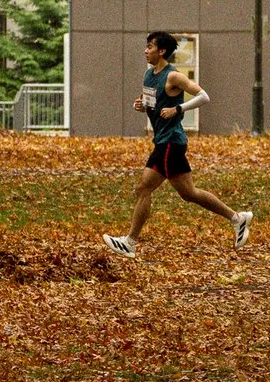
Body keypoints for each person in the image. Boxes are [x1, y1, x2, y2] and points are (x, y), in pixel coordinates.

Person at [103, 31, 251, 258]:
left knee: (144, 188)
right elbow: (152, 101)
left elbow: (204, 96)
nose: (146, 50)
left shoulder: (174, 77)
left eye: (150, 46)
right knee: (189, 193)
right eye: (146, 46)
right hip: (166, 141)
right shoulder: (149, 73)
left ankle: (130, 242)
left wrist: (178, 109)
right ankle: (237, 218)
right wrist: (142, 105)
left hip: (170, 142)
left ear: (161, 51)